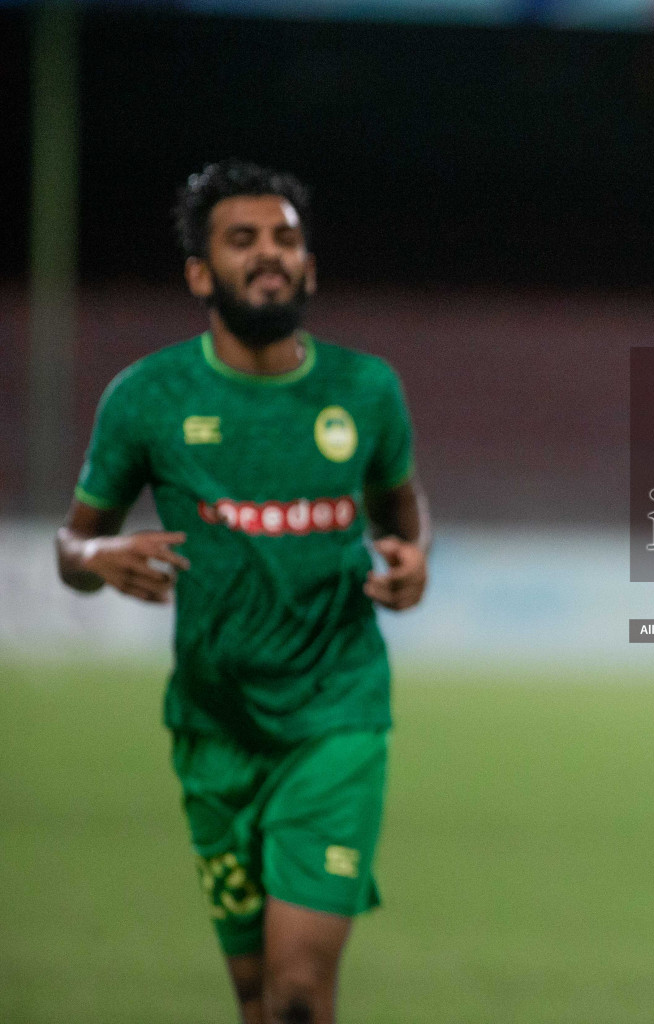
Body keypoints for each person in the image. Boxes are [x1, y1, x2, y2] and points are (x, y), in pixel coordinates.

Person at [55, 159, 430, 1024]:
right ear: (200, 273)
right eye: (243, 240)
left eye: (286, 239)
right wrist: (98, 552)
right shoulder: (147, 398)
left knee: (299, 993)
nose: (271, 254)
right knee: (256, 997)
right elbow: (70, 543)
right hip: (213, 728)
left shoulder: (365, 391)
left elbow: (404, 519)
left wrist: (414, 561)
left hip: (334, 719)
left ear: (309, 264)